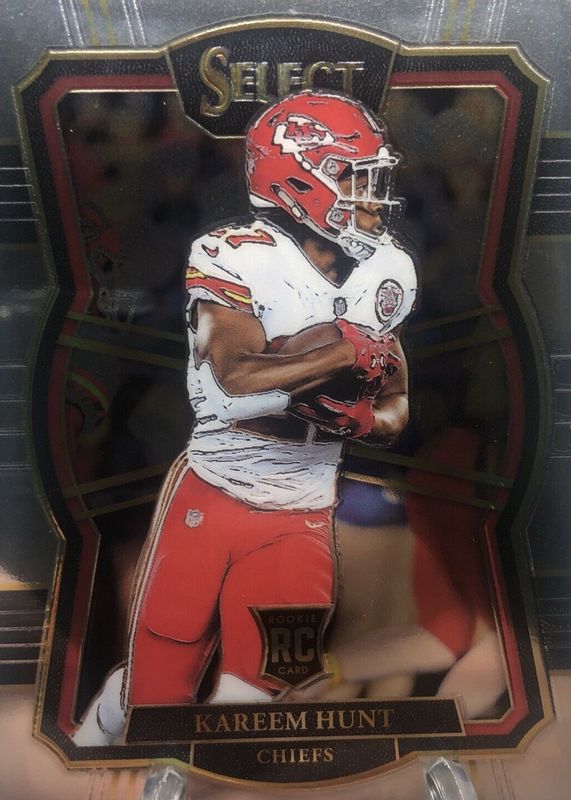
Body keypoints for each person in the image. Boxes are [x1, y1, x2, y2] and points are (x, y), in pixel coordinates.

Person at [72, 90, 417, 746]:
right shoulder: (233, 252)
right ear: (297, 180)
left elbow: (396, 402)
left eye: (375, 177)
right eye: (355, 177)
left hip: (303, 512)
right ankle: (103, 729)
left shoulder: (388, 269)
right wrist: (343, 352)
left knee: (259, 695)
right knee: (155, 698)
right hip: (214, 494)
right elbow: (236, 374)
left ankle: (180, 776)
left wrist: (362, 423)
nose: (374, 196)